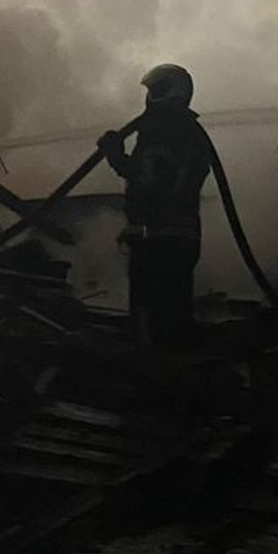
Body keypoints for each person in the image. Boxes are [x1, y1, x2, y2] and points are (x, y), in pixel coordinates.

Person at [99, 64, 211, 349]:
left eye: (154, 90)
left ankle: (155, 369)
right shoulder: (190, 132)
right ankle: (180, 364)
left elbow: (148, 179)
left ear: (168, 92)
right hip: (179, 237)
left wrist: (115, 156)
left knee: (149, 323)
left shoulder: (164, 130)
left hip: (157, 240)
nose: (148, 97)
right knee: (173, 317)